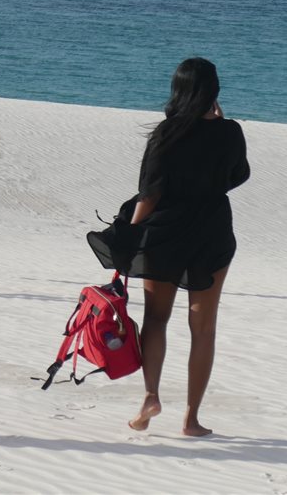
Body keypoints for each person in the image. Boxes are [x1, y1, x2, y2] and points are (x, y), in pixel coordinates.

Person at [87, 57, 250, 437]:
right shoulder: (231, 132)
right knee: (204, 328)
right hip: (212, 232)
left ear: (177, 90)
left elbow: (151, 193)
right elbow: (237, 176)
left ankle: (150, 397)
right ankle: (191, 419)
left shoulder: (166, 133)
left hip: (165, 235)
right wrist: (221, 125)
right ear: (213, 91)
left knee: (156, 320)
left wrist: (129, 233)